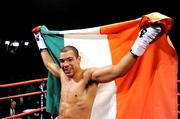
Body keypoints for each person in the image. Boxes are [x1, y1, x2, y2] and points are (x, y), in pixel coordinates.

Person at [33, 24, 162, 119]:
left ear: (78, 60)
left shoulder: (89, 76)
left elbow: (118, 70)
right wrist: (39, 40)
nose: (65, 64)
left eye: (69, 60)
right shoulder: (62, 74)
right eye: (62, 61)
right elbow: (49, 64)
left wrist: (142, 41)